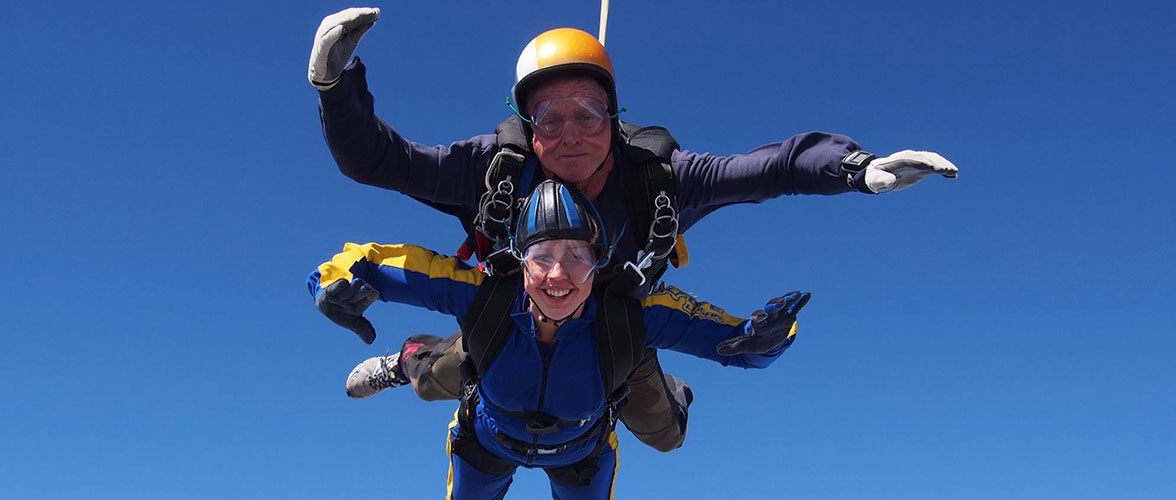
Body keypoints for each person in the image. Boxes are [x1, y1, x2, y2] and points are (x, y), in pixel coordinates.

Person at [307, 7, 958, 452]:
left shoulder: (660, 181)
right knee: (448, 376)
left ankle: (655, 390)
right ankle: (407, 361)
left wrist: (856, 168)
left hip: (619, 320)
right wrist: (334, 85)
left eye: (589, 114)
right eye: (549, 118)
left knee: (666, 434)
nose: (570, 135)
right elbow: (378, 161)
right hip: (513, 315)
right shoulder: (494, 172)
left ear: (615, 117)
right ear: (528, 127)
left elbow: (772, 167)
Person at [307, 181, 810, 499]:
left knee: (666, 435)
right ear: (519, 260)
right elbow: (370, 260)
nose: (557, 275)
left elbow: (741, 346)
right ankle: (406, 361)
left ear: (600, 262)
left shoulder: (633, 315)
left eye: (577, 256)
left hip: (582, 456)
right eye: (542, 255)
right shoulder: (482, 295)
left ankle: (666, 389)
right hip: (486, 440)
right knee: (433, 376)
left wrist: (768, 339)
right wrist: (331, 285)